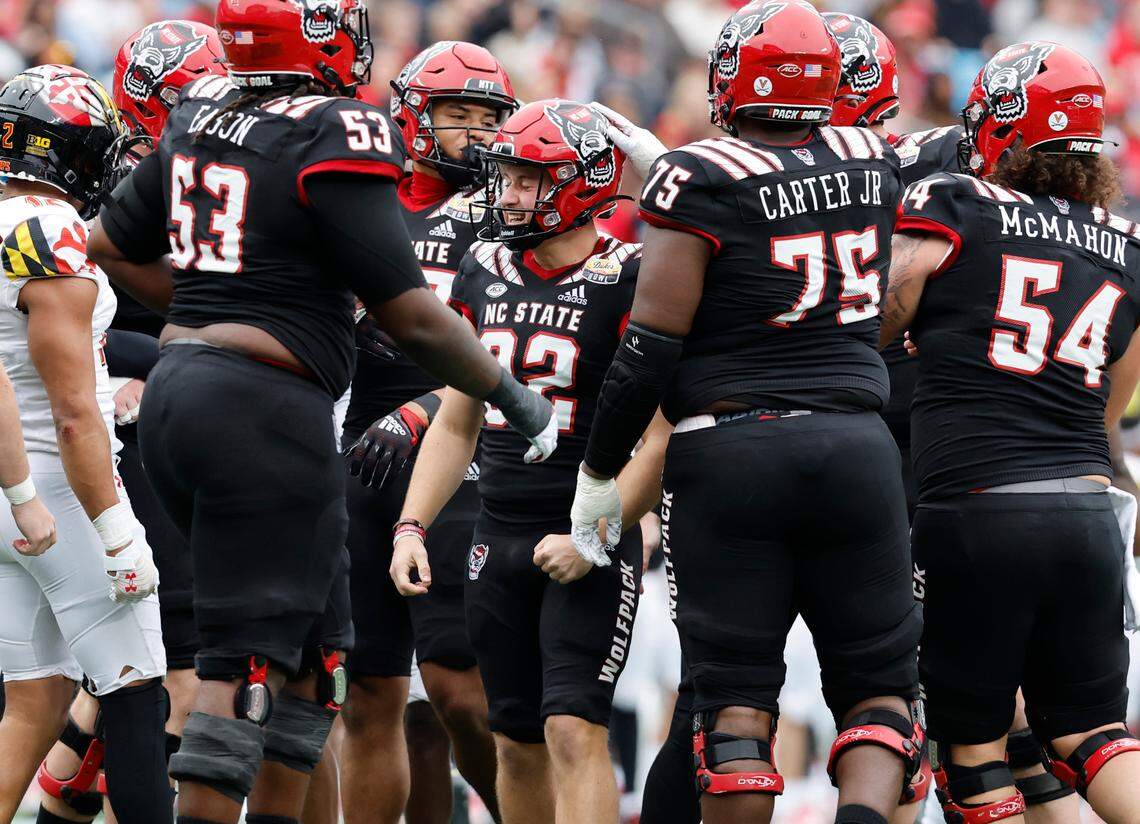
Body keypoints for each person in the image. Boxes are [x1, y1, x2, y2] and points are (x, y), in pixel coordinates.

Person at [87, 2, 557, 822]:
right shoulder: (338, 127)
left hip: (186, 395)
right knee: (242, 663)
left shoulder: (201, 110)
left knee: (319, 661)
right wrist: (513, 397)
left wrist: (205, 319)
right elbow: (410, 312)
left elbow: (111, 241)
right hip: (267, 414)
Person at [569, 4, 924, 824]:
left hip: (731, 454)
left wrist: (598, 470)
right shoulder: (872, 154)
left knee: (733, 704)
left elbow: (649, 349)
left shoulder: (696, 176)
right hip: (856, 445)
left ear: (732, 76)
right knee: (878, 691)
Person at [881, 41, 1140, 824]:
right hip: (1091, 510)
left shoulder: (956, 204)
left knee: (975, 752)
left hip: (980, 506)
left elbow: (875, 322)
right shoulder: (1125, 246)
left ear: (1003, 129)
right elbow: (1110, 410)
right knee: (1094, 733)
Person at [391, 98, 670, 824]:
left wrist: (595, 535)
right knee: (513, 739)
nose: (508, 197)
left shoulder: (635, 276)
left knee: (575, 729)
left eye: (527, 181)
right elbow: (458, 418)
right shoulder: (482, 269)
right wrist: (413, 524)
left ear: (582, 183)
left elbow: (665, 434)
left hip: (592, 531)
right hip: (497, 530)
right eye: (505, 179)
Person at [338, 40, 516, 824]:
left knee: (457, 689)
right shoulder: (359, 195)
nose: (477, 135)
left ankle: (521, 810)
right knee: (371, 693)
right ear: (414, 117)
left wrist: (424, 406)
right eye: (459, 116)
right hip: (356, 452)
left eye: (489, 119)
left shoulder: (510, 208)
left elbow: (521, 338)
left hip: (461, 450)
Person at [0, 64, 170, 824]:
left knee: (34, 701)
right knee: (137, 691)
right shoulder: (49, 230)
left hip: (14, 491)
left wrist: (19, 496)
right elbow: (73, 410)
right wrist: (113, 529)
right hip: (64, 494)